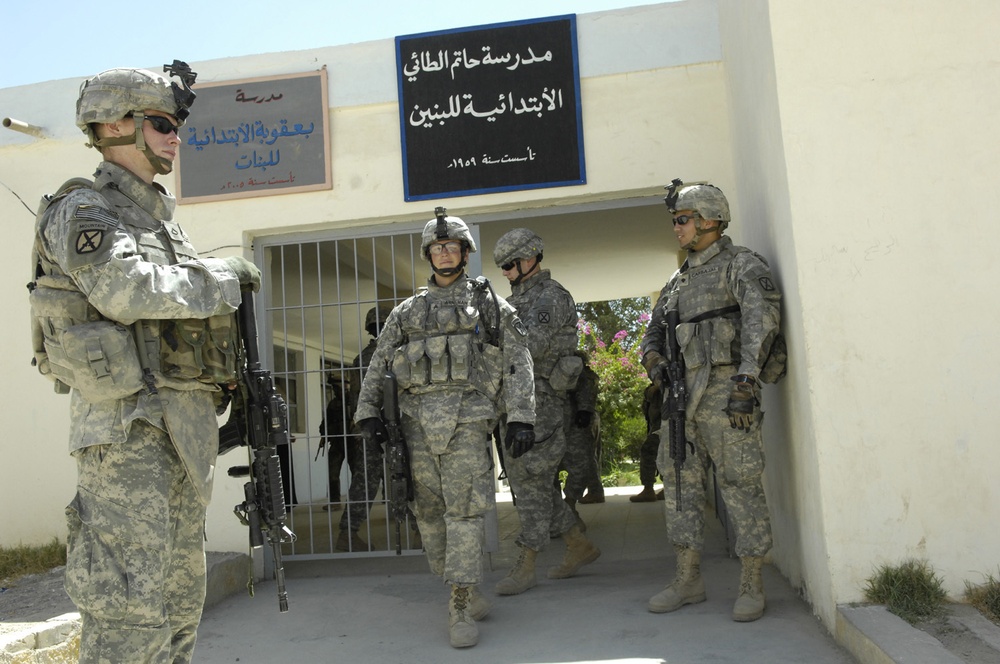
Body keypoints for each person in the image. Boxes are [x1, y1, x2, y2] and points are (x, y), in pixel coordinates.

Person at [28, 62, 261, 663]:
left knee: (180, 611)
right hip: (126, 435)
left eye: (176, 123)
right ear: (112, 125)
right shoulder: (83, 209)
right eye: (160, 122)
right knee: (130, 617)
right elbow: (125, 291)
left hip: (181, 437)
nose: (175, 136)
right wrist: (222, 276)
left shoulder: (162, 226)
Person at [352, 208, 535, 648]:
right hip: (416, 428)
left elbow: (518, 361)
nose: (445, 253)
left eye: (452, 245)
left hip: (468, 424)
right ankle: (464, 590)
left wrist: (522, 416)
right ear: (428, 255)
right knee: (429, 517)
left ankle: (457, 605)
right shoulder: (408, 311)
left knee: (465, 515)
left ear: (465, 252)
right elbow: (379, 363)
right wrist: (368, 411)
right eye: (437, 247)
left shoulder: (490, 307)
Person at [640, 179, 781, 623]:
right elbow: (652, 332)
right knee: (680, 487)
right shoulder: (677, 280)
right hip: (682, 397)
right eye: (676, 221)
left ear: (709, 221)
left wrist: (746, 381)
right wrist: (655, 361)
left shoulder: (740, 265)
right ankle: (688, 578)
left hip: (726, 392)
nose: (676, 228)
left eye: (682, 220)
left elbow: (762, 320)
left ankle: (752, 582)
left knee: (741, 484)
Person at [492, 228, 601, 597]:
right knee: (530, 481)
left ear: (529, 258)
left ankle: (527, 563)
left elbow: (529, 347)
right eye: (502, 267)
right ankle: (577, 543)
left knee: (530, 484)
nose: (505, 272)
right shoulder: (517, 301)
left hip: (541, 402)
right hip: (515, 402)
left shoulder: (549, 297)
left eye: (509, 265)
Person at [334, 305, 391, 551]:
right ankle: (419, 531)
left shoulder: (361, 358)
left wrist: (358, 427)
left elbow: (354, 398)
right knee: (409, 476)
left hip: (368, 426)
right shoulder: (395, 352)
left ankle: (348, 533)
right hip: (395, 425)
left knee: (364, 482)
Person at [561, 350, 604, 511]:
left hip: (580, 421)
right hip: (565, 420)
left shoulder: (586, 377)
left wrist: (583, 410)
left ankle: (589, 493)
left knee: (586, 458)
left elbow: (587, 396)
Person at [630, 381, 665, 502]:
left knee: (648, 451)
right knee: (664, 452)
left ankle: (648, 489)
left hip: (663, 423)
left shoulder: (662, 383)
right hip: (659, 423)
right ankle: (663, 488)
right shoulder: (655, 386)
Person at [318, 374, 348, 510]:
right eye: (334, 387)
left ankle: (359, 502)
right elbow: (326, 421)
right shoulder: (333, 404)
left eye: (337, 386)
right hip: (337, 442)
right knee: (333, 473)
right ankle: (335, 502)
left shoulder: (355, 401)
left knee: (359, 472)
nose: (336, 390)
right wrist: (324, 435)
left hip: (352, 442)